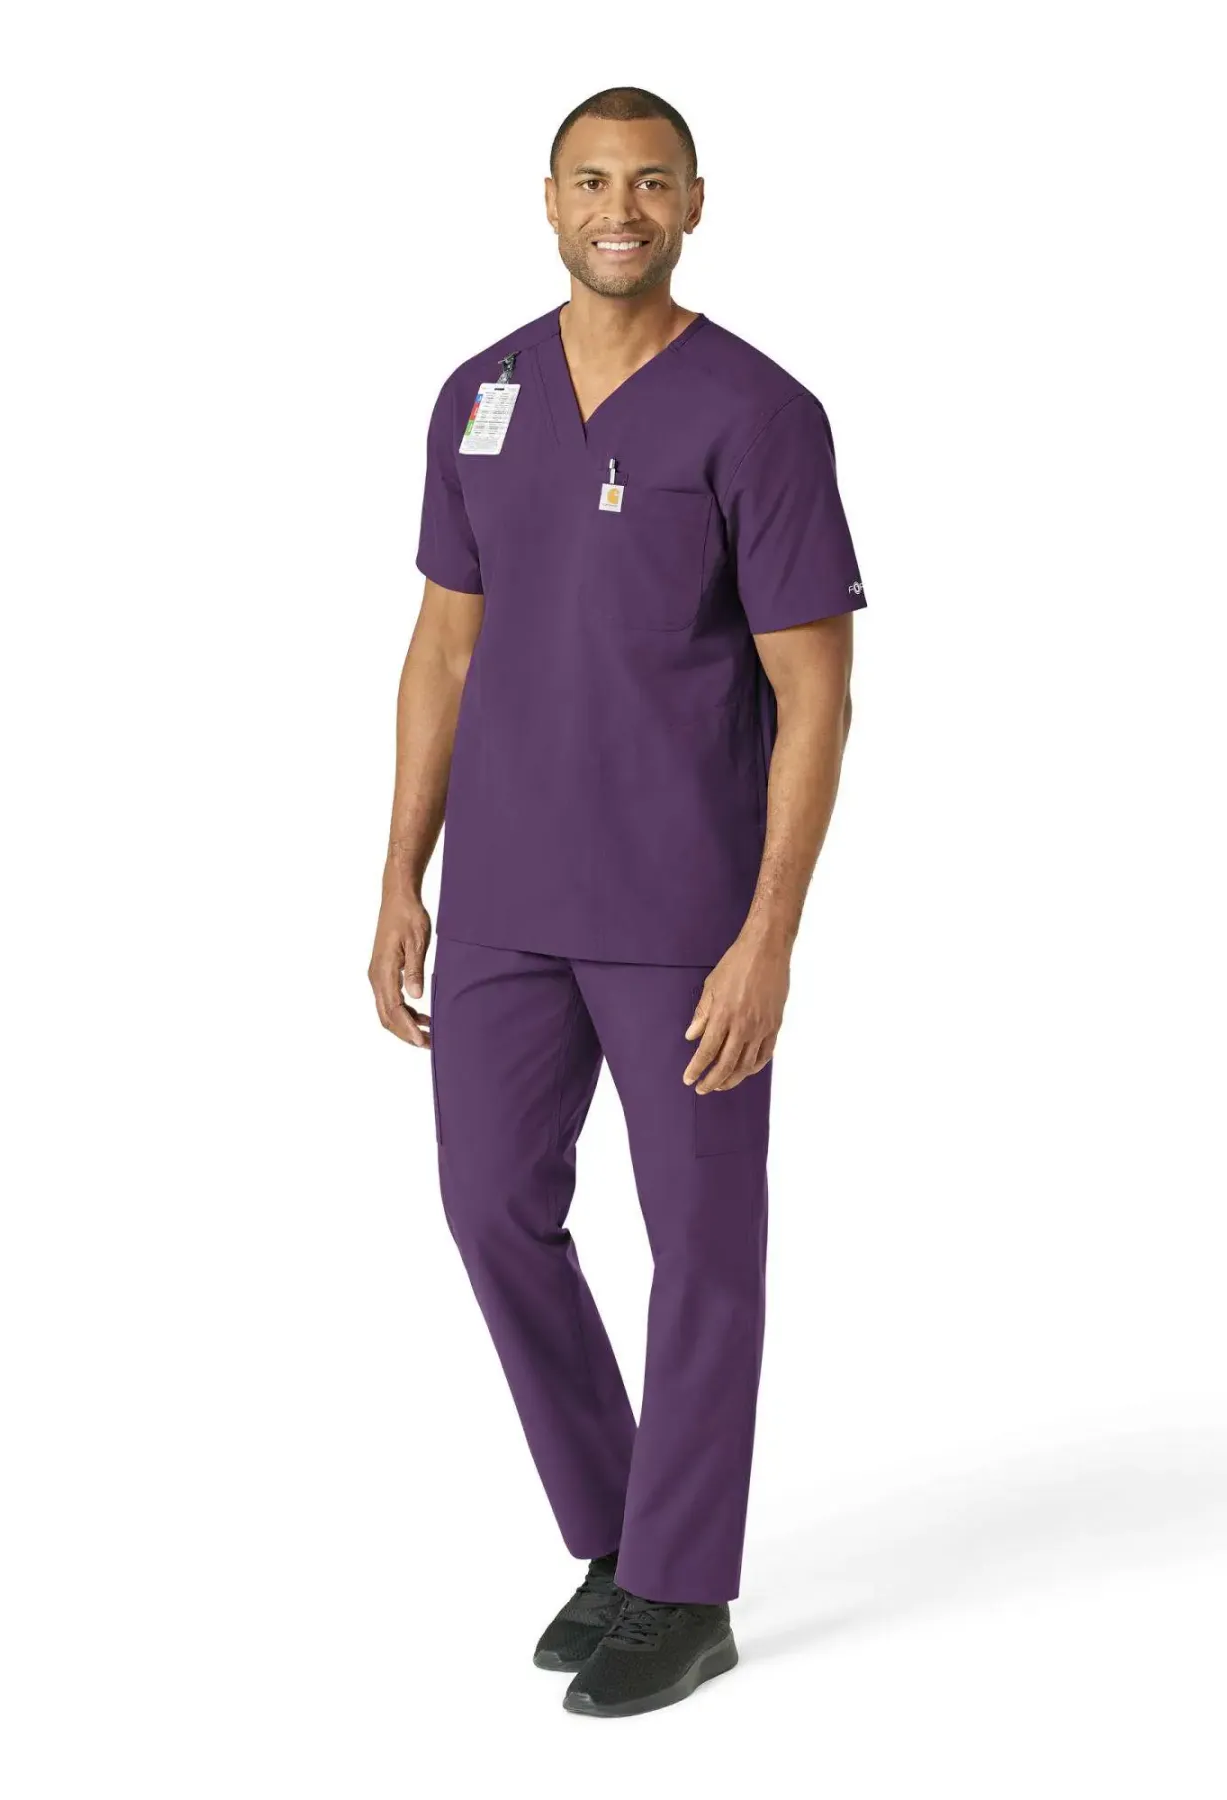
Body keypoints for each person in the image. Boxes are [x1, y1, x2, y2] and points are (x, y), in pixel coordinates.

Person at [369, 86, 865, 1718]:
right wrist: (401, 875)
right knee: (489, 1209)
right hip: (505, 900)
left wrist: (768, 936)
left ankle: (686, 1586)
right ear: (549, 199)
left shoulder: (758, 415)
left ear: (695, 203)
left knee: (703, 1244)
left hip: (682, 909)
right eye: (593, 180)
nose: (620, 209)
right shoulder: (481, 396)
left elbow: (815, 694)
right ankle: (619, 1536)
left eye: (651, 182)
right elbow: (445, 649)